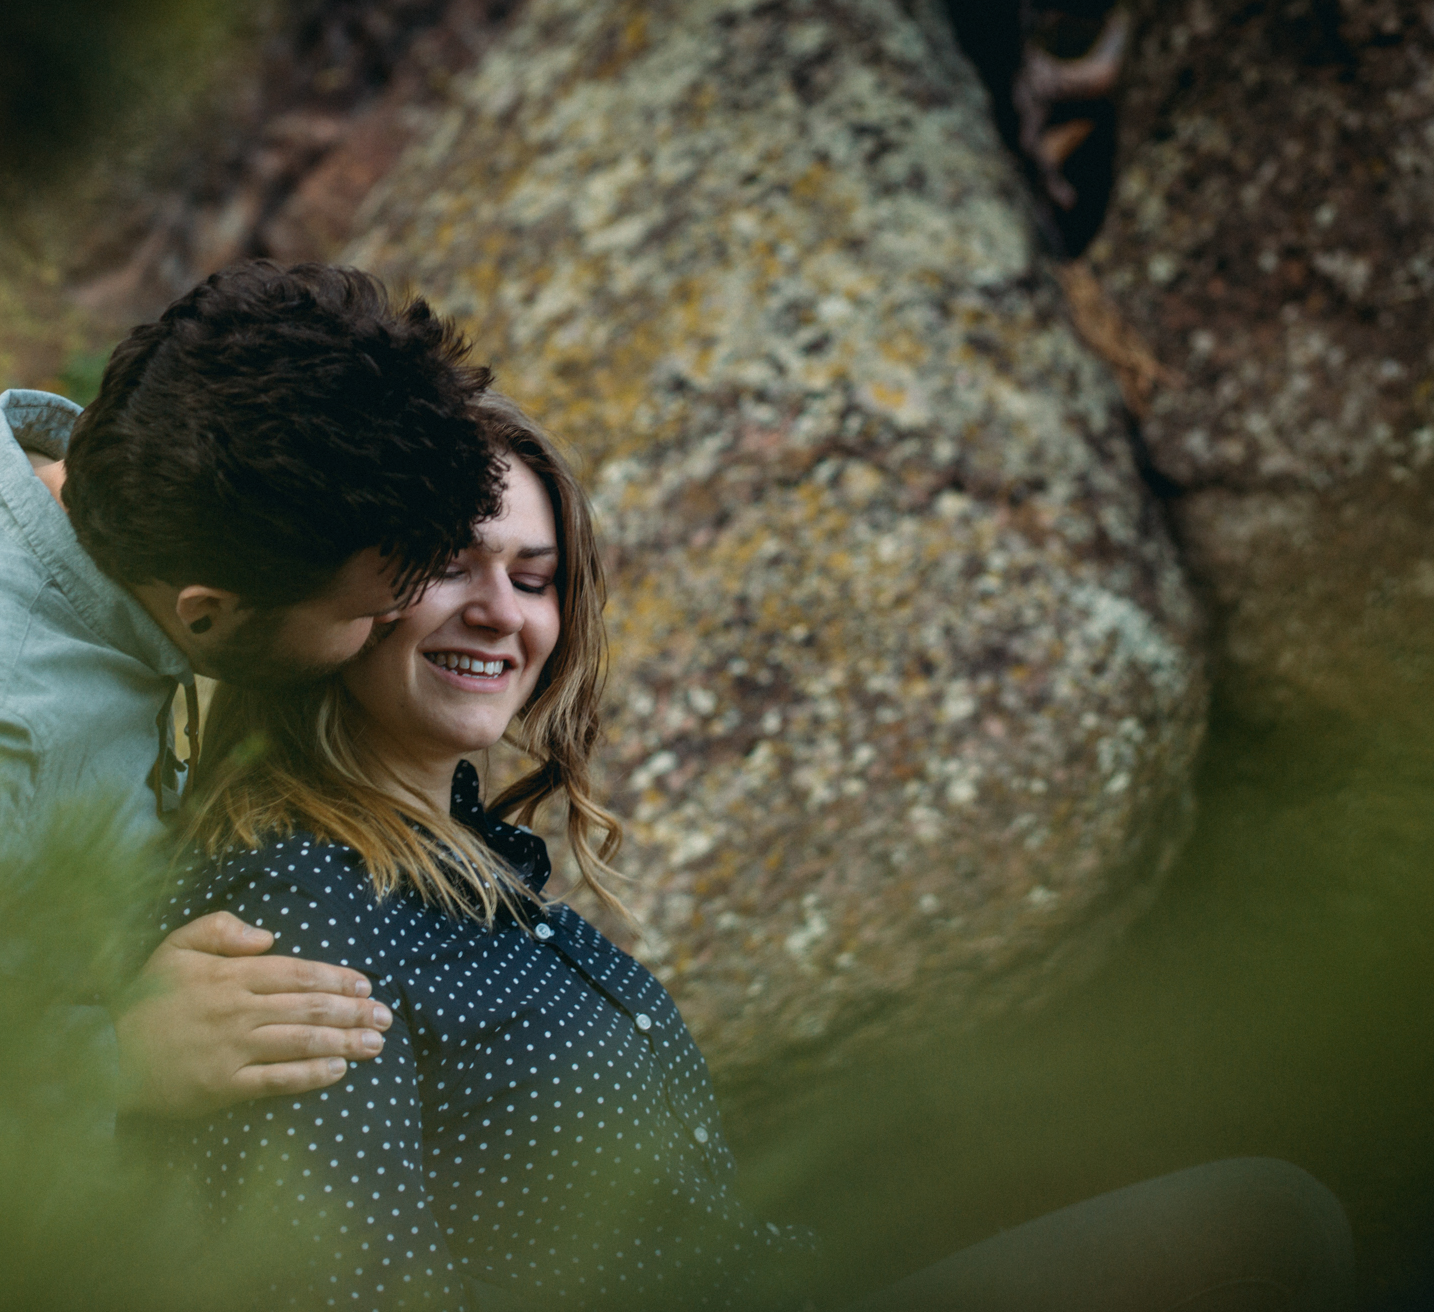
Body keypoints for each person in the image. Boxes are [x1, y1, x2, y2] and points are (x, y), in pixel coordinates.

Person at [152, 395, 1355, 1310]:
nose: (501, 613)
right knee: (1263, 1228)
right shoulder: (300, 896)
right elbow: (348, 1279)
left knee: (1256, 1222)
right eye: (447, 566)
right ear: (351, 592)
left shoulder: (486, 883)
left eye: (534, 578)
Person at [0, 261, 504, 1117]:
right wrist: (121, 1055)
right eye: (373, 612)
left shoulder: (18, 481)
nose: (401, 624)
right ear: (207, 612)